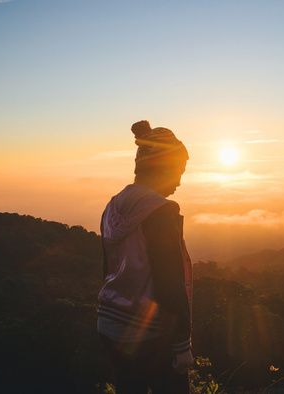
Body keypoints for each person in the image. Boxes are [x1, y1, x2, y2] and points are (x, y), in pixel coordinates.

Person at [97, 120, 193, 393]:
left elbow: (108, 268)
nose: (179, 181)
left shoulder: (111, 206)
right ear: (161, 168)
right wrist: (181, 346)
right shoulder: (160, 212)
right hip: (148, 332)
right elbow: (169, 282)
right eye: (178, 171)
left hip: (110, 324)